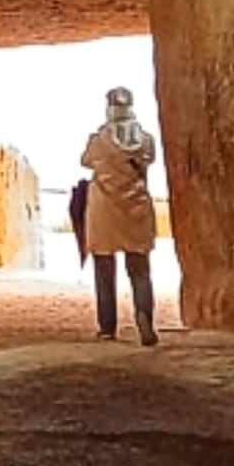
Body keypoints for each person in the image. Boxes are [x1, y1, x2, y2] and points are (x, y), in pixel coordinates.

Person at [80, 87, 159, 346]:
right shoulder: (146, 141)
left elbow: (85, 161)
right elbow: (149, 161)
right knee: (140, 269)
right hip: (136, 209)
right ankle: (144, 316)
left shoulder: (98, 140)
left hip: (104, 211)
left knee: (104, 269)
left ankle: (107, 326)